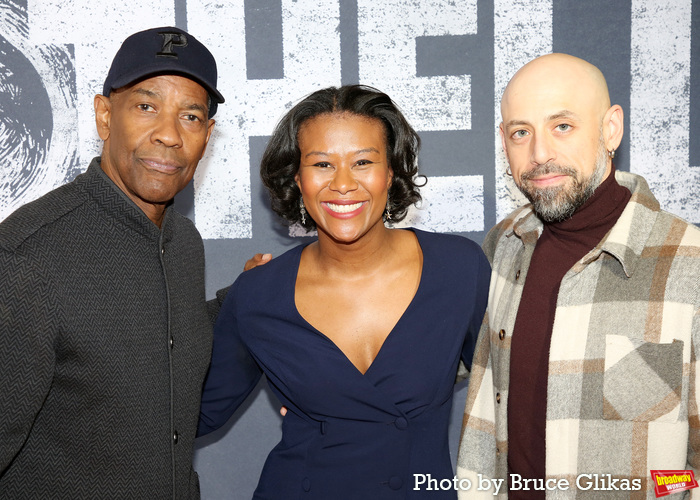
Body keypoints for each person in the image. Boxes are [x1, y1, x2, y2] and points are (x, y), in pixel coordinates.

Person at [198, 84, 490, 499]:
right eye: (322, 164)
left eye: (363, 162)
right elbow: (193, 416)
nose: (343, 184)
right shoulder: (258, 295)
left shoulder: (459, 268)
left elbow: (508, 395)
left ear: (391, 171)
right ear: (298, 178)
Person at [457, 53, 700, 499]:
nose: (540, 153)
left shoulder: (692, 265)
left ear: (610, 130)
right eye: (520, 132)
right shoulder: (502, 247)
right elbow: (428, 357)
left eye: (562, 126)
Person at [0, 27, 224, 498]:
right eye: (146, 107)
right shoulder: (26, 255)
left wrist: (250, 299)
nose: (168, 135)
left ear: (207, 134)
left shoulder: (184, 241)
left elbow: (156, 362)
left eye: (190, 115)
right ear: (105, 116)